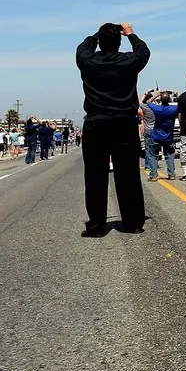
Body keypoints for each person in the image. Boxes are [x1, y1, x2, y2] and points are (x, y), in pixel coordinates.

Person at [76, 22, 150, 236]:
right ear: (119, 42)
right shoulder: (128, 61)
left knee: (95, 176)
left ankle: (97, 225)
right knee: (128, 175)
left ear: (100, 41)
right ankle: (133, 222)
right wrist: (131, 34)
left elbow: (83, 47)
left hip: (96, 123)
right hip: (124, 122)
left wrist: (96, 35)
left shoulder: (88, 60)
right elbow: (143, 51)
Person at [148, 91, 178, 180]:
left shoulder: (157, 109)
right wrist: (176, 94)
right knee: (170, 155)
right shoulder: (173, 109)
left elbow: (148, 102)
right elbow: (182, 103)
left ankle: (153, 175)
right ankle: (171, 174)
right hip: (168, 136)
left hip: (156, 136)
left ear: (160, 100)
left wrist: (157, 94)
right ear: (169, 99)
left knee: (153, 155)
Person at [140, 90, 157, 173]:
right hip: (155, 129)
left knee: (148, 148)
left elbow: (140, 102)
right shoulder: (155, 107)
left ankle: (148, 165)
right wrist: (157, 95)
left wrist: (146, 93)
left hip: (147, 129)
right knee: (155, 149)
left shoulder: (145, 107)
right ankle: (155, 164)